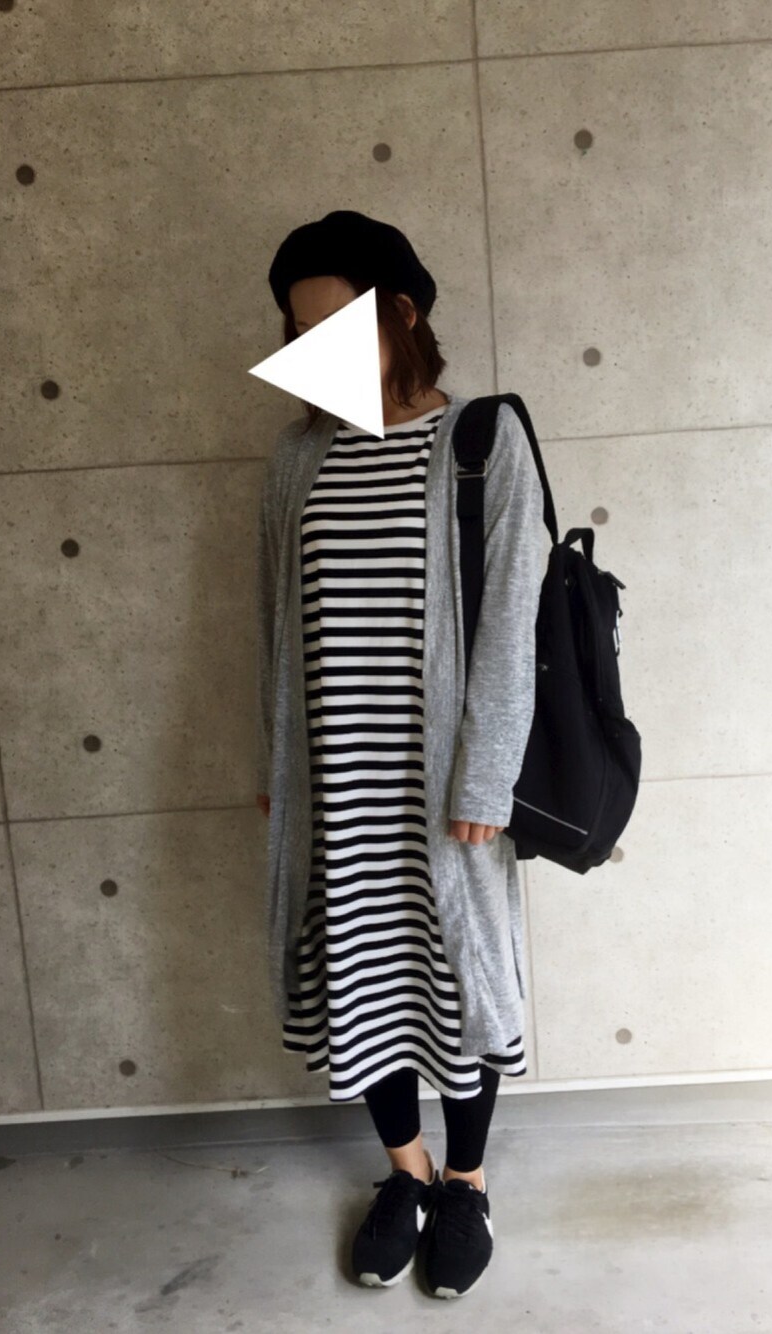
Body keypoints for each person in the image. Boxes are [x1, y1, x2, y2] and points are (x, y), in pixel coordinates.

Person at [257, 211, 545, 1298]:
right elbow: (273, 624)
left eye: (333, 325)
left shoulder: (480, 439)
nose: (312, 348)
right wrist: (277, 765)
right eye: (298, 332)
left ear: (404, 313)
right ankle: (407, 1173)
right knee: (363, 981)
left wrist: (487, 773)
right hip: (336, 782)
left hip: (446, 789)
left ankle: (466, 1183)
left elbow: (512, 613)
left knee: (456, 980)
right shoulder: (297, 459)